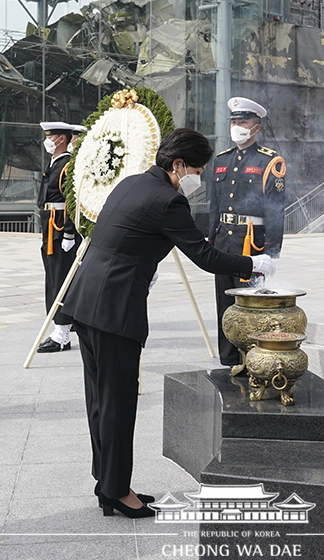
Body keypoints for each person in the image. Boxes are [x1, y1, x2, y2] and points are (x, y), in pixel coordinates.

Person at [61, 128, 275, 518]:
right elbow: (204, 256)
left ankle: (107, 482)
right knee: (119, 402)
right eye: (197, 169)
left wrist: (143, 265)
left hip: (88, 300)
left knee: (100, 399)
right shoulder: (168, 201)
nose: (199, 176)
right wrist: (252, 263)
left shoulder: (133, 183)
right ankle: (116, 491)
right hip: (114, 309)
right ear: (178, 165)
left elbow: (123, 236)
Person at [210, 97, 287, 372]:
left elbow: (276, 209)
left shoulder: (269, 161)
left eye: (242, 122)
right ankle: (229, 358)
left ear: (255, 128)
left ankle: (252, 358)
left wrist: (271, 251)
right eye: (233, 122)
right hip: (223, 241)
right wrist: (211, 237)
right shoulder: (221, 160)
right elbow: (214, 205)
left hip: (251, 242)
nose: (237, 127)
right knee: (224, 300)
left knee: (251, 304)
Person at [36, 120, 85, 353]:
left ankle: (62, 333)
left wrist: (68, 233)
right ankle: (62, 326)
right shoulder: (55, 162)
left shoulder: (67, 165)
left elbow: (71, 202)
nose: (47, 140)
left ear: (62, 139)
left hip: (58, 228)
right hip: (49, 228)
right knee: (53, 278)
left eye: (51, 136)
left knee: (60, 279)